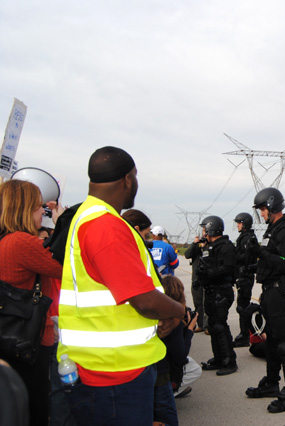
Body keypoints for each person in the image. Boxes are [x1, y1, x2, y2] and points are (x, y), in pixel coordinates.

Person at [56, 146, 185, 426]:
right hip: (114, 373)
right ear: (128, 179)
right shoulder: (105, 225)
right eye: (136, 177)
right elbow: (144, 300)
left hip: (99, 366)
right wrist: (177, 310)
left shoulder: (86, 215)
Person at [0, 179, 63, 426]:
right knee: (35, 408)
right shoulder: (21, 242)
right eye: (38, 207)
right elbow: (67, 264)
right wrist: (62, 224)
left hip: (10, 335)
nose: (42, 212)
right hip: (28, 340)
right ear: (24, 209)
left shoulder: (6, 239)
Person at [245, 187, 285, 413]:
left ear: (272, 206)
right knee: (270, 341)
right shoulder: (273, 230)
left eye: (262, 209)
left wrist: (261, 254)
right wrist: (255, 261)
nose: (261, 213)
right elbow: (271, 261)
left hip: (284, 293)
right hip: (271, 292)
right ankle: (272, 383)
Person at [154, 275, 201, 426]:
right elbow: (181, 356)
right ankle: (173, 390)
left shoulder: (153, 312)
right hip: (164, 370)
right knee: (195, 369)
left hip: (153, 361)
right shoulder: (173, 319)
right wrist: (189, 330)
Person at [196, 215, 238, 376]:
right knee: (213, 325)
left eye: (205, 229)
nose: (203, 232)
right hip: (211, 290)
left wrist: (209, 273)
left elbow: (227, 268)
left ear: (211, 228)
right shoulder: (210, 246)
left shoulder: (226, 246)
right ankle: (219, 358)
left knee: (220, 325)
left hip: (222, 290)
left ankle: (229, 360)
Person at [233, 212, 258, 347]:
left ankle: (246, 334)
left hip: (245, 275)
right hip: (243, 274)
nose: (237, 225)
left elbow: (246, 257)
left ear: (245, 224)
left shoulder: (247, 238)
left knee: (243, 306)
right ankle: (244, 332)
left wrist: (233, 255)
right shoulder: (244, 237)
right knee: (241, 304)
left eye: (239, 223)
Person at [184, 226, 207, 333]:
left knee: (207, 303)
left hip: (207, 279)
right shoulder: (197, 246)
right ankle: (201, 324)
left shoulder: (212, 246)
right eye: (203, 231)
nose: (205, 233)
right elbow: (187, 254)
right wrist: (195, 244)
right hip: (196, 279)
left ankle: (208, 326)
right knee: (198, 303)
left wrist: (206, 246)